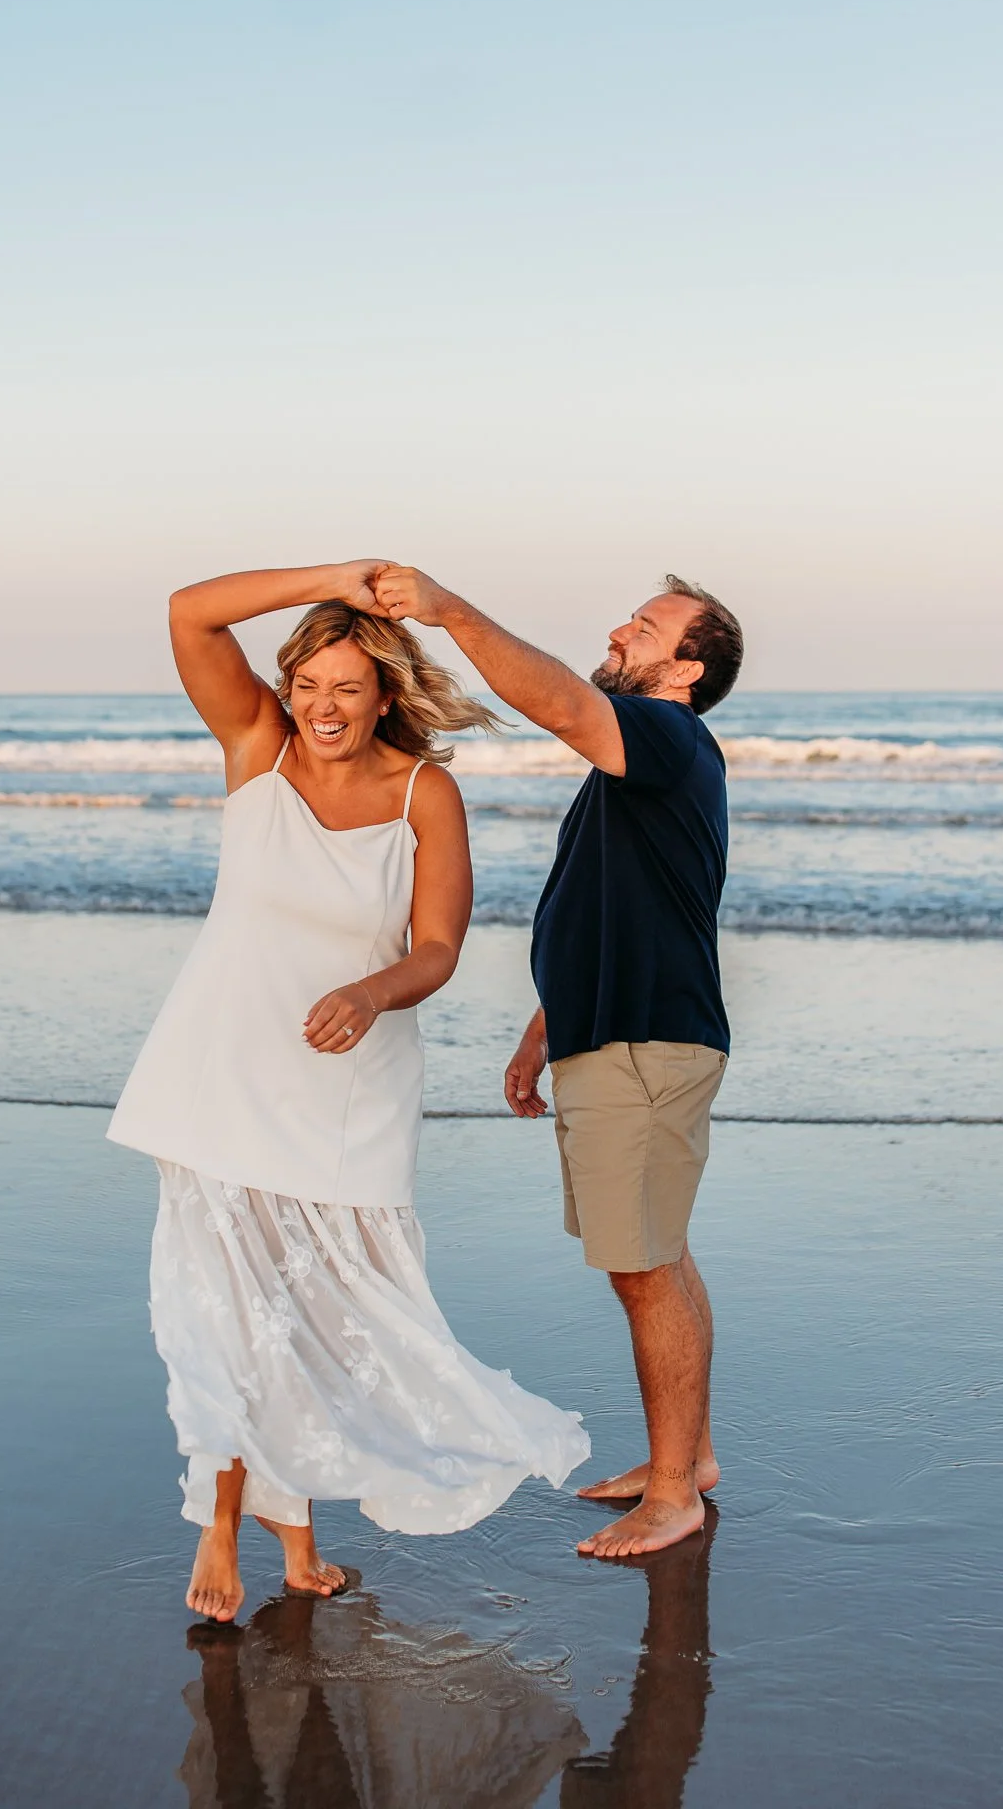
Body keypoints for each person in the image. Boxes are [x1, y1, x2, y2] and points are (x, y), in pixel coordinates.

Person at [107, 561, 590, 1622]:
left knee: (330, 1310)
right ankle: (229, 1525)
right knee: (233, 1312)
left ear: (385, 693)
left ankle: (300, 1537)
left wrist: (374, 991)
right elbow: (190, 609)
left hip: (347, 1087)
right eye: (309, 682)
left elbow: (439, 946)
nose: (323, 707)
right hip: (222, 1072)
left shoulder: (426, 790)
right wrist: (344, 576)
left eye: (347, 686)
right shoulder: (255, 747)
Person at [370, 565, 743, 1558]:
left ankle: (673, 1495)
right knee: (657, 1253)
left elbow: (557, 699)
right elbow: (608, 913)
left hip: (644, 1043)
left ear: (687, 665)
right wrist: (542, 1032)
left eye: (647, 624)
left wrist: (446, 609)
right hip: (611, 1034)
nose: (621, 627)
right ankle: (690, 1458)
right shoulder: (635, 771)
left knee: (643, 1264)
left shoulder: (662, 734)